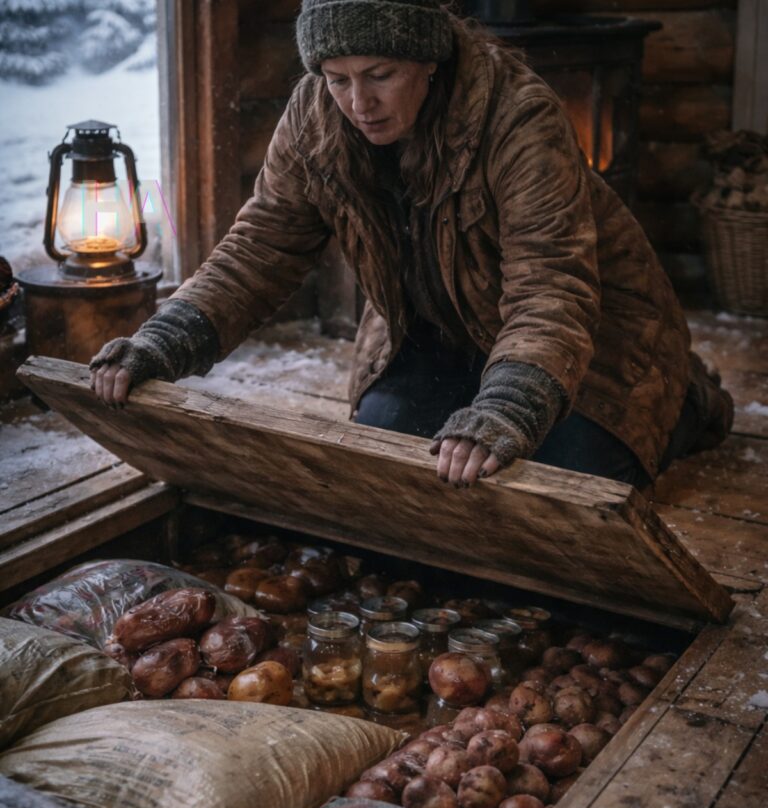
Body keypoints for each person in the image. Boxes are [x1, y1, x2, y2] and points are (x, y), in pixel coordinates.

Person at [90, 0, 733, 490]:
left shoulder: (518, 115)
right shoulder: (315, 116)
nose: (359, 103)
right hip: (438, 327)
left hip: (592, 339)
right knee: (386, 461)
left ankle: (683, 401)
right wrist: (165, 340)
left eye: (380, 74)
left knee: (560, 478)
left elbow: (552, 286)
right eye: (337, 78)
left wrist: (510, 406)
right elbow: (260, 248)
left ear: (429, 60)